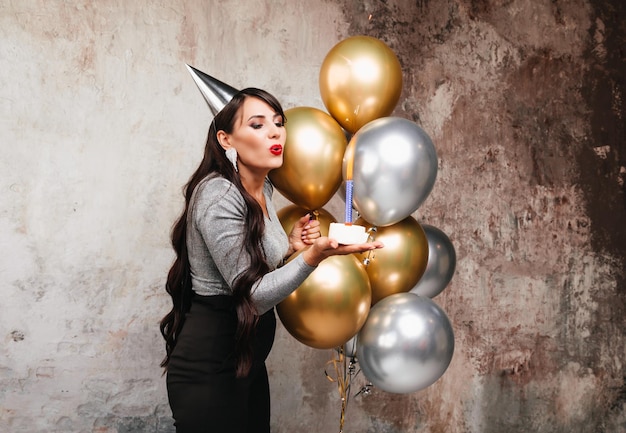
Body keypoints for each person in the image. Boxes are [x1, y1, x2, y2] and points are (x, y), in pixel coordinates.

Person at [160, 87, 383, 433]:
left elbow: (251, 259)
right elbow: (252, 295)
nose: (275, 132)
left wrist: (289, 246)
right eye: (258, 125)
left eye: (278, 123)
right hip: (210, 369)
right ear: (226, 139)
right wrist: (313, 255)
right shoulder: (218, 194)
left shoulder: (261, 189)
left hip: (248, 362)